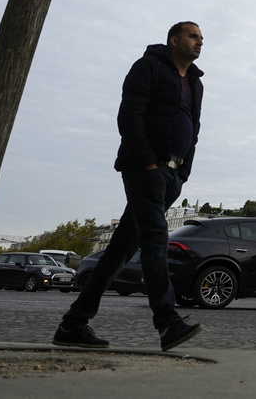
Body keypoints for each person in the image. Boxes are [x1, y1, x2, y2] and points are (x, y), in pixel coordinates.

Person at [53, 22, 205, 351]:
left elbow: (193, 130)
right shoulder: (147, 67)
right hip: (144, 170)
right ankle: (167, 322)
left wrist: (183, 173)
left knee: (119, 252)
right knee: (154, 241)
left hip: (170, 177)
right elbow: (129, 117)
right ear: (174, 40)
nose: (200, 42)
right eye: (193, 36)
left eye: (202, 38)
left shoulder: (195, 82)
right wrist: (149, 164)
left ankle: (74, 323)